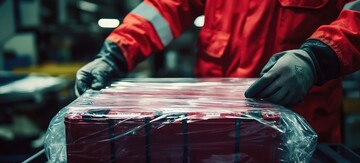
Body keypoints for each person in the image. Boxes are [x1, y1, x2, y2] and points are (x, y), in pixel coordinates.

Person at [75, 0, 360, 143]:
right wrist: (115, 54)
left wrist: (316, 57)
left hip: (299, 132)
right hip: (213, 129)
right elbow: (167, 6)